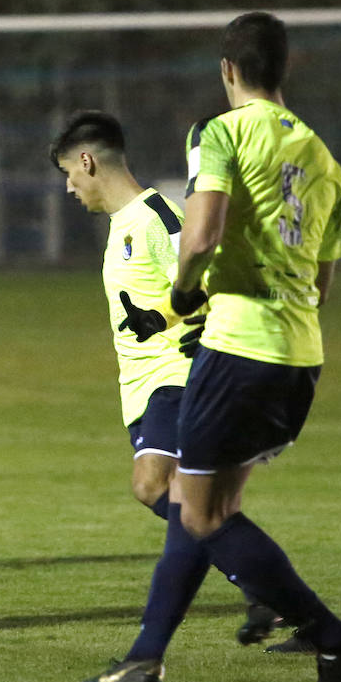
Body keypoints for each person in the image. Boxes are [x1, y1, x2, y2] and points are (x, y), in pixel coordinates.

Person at [59, 12, 341, 682]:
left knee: (195, 512)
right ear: (282, 69)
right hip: (299, 357)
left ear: (227, 70)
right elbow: (325, 284)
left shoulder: (221, 132)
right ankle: (151, 656)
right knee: (205, 510)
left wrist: (179, 290)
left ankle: (327, 637)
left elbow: (200, 232)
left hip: (237, 348)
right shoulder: (325, 158)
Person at [49, 110, 283, 647]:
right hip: (141, 389)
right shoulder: (121, 227)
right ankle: (268, 591)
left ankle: (264, 591)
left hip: (174, 378)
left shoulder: (155, 216)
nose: (68, 187)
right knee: (189, 501)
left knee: (154, 486)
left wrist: (214, 339)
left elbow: (210, 275)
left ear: (88, 161)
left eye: (69, 173)